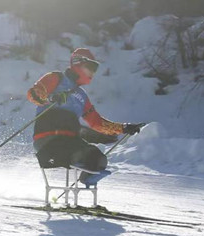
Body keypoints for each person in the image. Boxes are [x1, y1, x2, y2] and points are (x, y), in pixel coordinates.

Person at [27, 48, 143, 185]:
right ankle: (83, 175)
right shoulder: (56, 78)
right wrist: (51, 98)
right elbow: (33, 94)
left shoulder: (82, 96)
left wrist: (123, 128)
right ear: (77, 63)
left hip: (69, 141)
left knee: (99, 159)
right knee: (83, 156)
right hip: (48, 140)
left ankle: (86, 181)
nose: (92, 73)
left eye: (95, 69)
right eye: (91, 67)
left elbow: (97, 122)